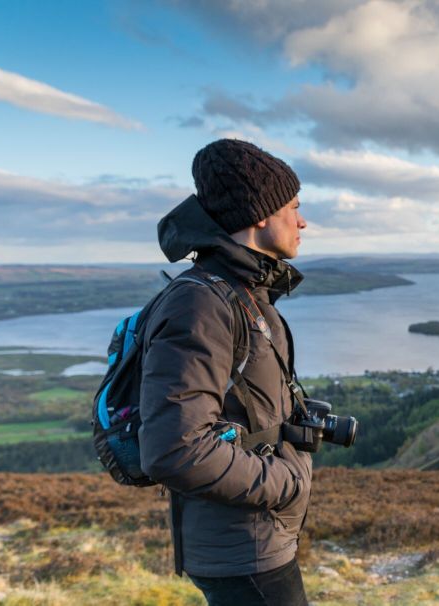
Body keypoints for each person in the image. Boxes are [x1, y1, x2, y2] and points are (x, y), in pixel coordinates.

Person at [138, 138, 311, 605]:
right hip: (243, 548)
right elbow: (175, 450)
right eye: (293, 207)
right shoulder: (203, 301)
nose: (302, 221)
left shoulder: (241, 289)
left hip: (253, 536)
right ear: (261, 214)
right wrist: (288, 483)